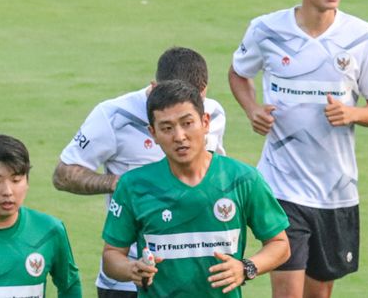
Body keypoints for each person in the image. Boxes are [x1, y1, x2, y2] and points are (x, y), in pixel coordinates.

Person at [228, 0, 368, 298]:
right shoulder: (266, 30)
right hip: (281, 185)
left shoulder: (363, 37)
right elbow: (238, 73)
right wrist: (252, 108)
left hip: (336, 190)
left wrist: (352, 113)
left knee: (318, 294)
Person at [53, 46, 226, 298]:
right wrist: (119, 183)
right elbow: (63, 174)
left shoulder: (213, 113)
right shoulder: (113, 116)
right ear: (154, 87)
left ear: (203, 93)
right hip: (128, 280)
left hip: (194, 276)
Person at [101, 79, 290, 297]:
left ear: (205, 122)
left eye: (187, 123)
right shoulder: (134, 185)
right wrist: (130, 269)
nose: (179, 136)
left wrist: (245, 268)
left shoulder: (243, 179)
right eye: (167, 128)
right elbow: (112, 255)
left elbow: (280, 244)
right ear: (153, 133)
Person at [0, 134, 82, 297]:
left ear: (27, 182)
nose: (7, 192)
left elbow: (70, 285)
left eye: (16, 180)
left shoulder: (49, 230)